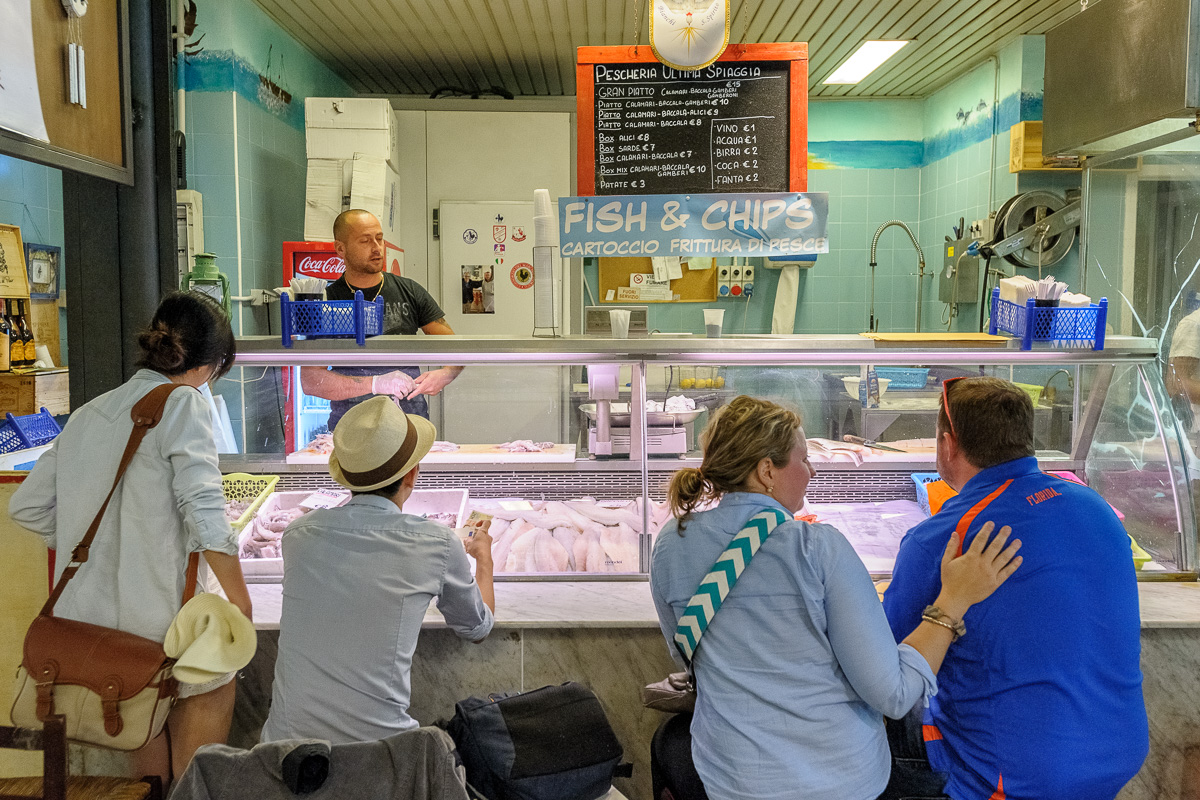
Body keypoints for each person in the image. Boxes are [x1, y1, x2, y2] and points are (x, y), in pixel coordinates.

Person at [649, 395, 1022, 800]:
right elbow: (894, 695)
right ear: (766, 471)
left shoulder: (671, 543)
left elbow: (686, 657)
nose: (811, 471)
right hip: (839, 784)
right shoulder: (816, 548)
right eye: (803, 459)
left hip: (729, 780)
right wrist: (954, 599)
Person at [9, 291, 253, 786]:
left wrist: (98, 546)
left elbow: (27, 506)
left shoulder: (90, 412)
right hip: (160, 622)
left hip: (92, 627)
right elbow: (205, 516)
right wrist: (240, 602)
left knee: (145, 740)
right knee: (215, 686)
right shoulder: (184, 402)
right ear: (208, 367)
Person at [883, 376, 1149, 800]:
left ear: (948, 446)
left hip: (1016, 777)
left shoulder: (943, 538)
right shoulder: (1094, 506)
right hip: (1121, 753)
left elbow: (885, 667)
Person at [261, 395, 495, 744]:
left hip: (282, 753)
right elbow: (477, 628)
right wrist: (484, 561)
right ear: (412, 474)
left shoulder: (299, 534)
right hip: (379, 754)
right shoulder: (438, 543)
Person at [300, 209, 462, 428]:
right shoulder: (325, 300)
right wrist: (375, 383)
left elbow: (457, 349)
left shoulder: (410, 291)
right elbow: (311, 382)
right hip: (351, 427)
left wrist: (446, 374)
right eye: (365, 241)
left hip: (409, 423)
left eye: (379, 238)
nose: (377, 248)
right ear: (340, 248)